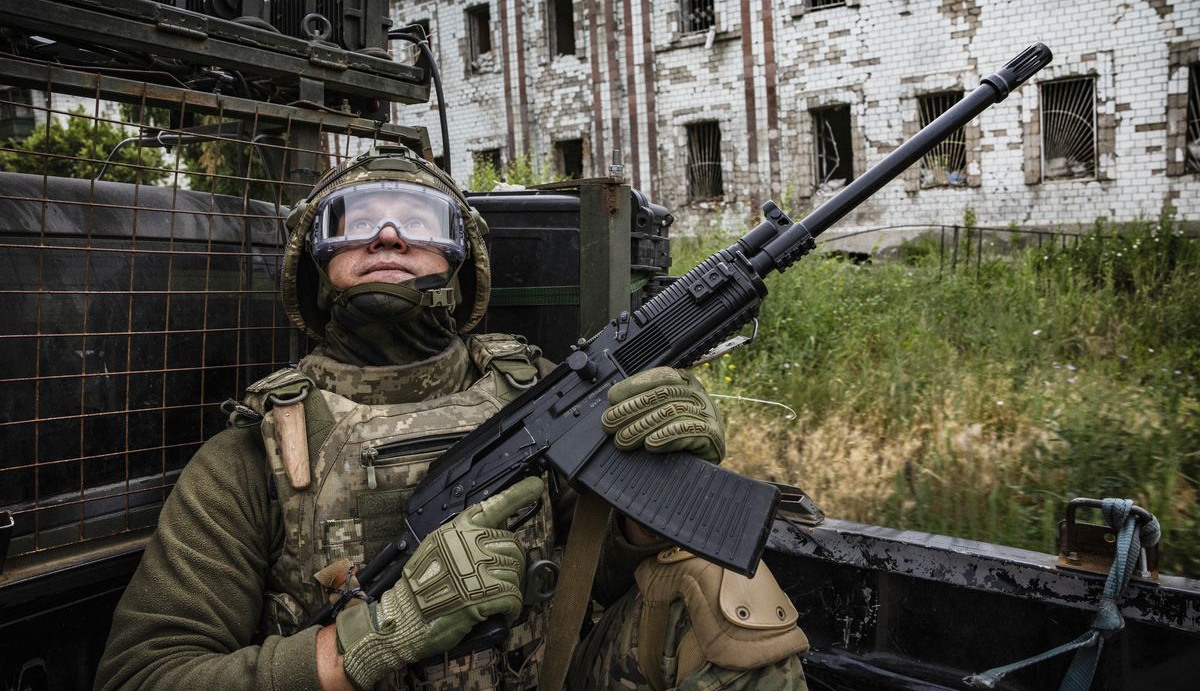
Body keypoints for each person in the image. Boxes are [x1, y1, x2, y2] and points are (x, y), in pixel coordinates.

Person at [95, 147, 808, 691]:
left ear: (461, 260)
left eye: (420, 222)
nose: (388, 235)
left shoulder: (531, 395)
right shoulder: (256, 455)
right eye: (356, 224)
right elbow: (142, 674)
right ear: (315, 264)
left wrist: (647, 507)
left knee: (721, 586)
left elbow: (601, 572)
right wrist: (369, 639)